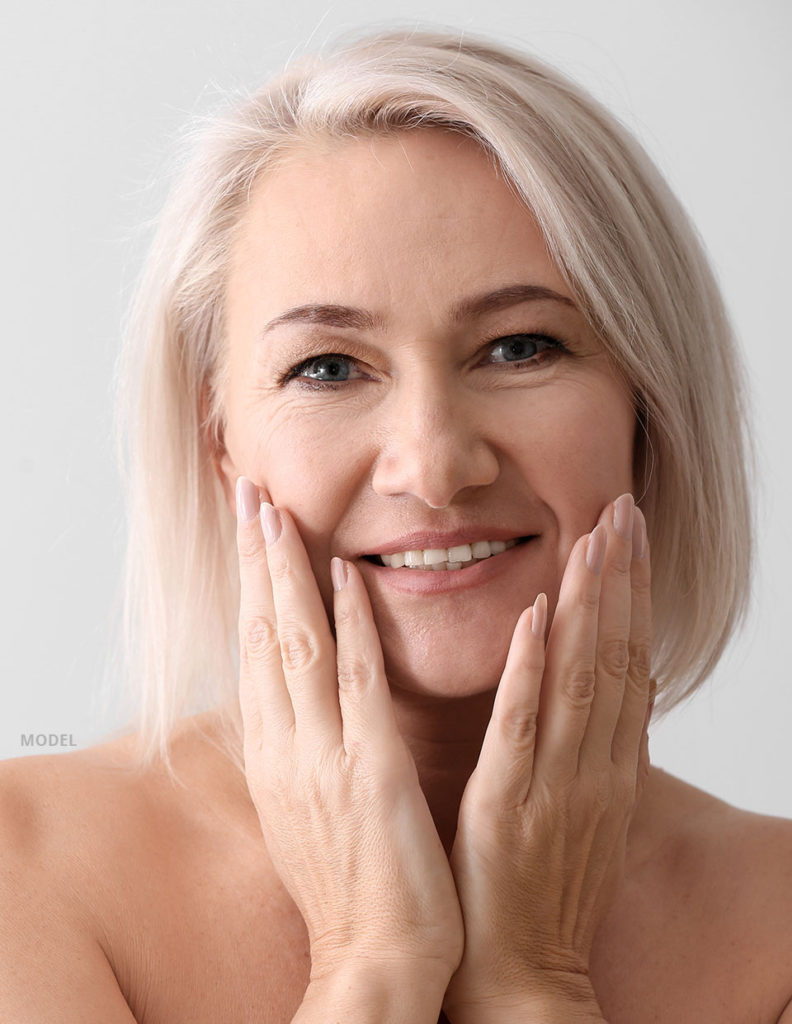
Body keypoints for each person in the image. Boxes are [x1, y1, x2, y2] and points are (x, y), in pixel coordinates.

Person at [2, 25, 791, 1024]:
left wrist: (532, 980)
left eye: (519, 347)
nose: (433, 462)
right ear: (221, 443)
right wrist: (368, 963)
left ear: (649, 410)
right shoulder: (26, 874)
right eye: (327, 367)